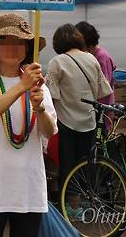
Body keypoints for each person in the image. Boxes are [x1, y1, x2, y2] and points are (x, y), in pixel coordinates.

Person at [0, 13, 57, 237]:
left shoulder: (39, 87)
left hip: (29, 188)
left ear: (28, 47)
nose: (14, 46)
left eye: (20, 41)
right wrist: (21, 87)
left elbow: (49, 131)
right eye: (6, 40)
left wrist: (40, 108)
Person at [45, 24, 112, 210]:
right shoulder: (92, 59)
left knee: (67, 164)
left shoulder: (57, 62)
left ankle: (72, 207)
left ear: (58, 42)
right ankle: (84, 202)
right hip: (89, 120)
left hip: (66, 121)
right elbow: (102, 90)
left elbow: (52, 95)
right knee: (86, 162)